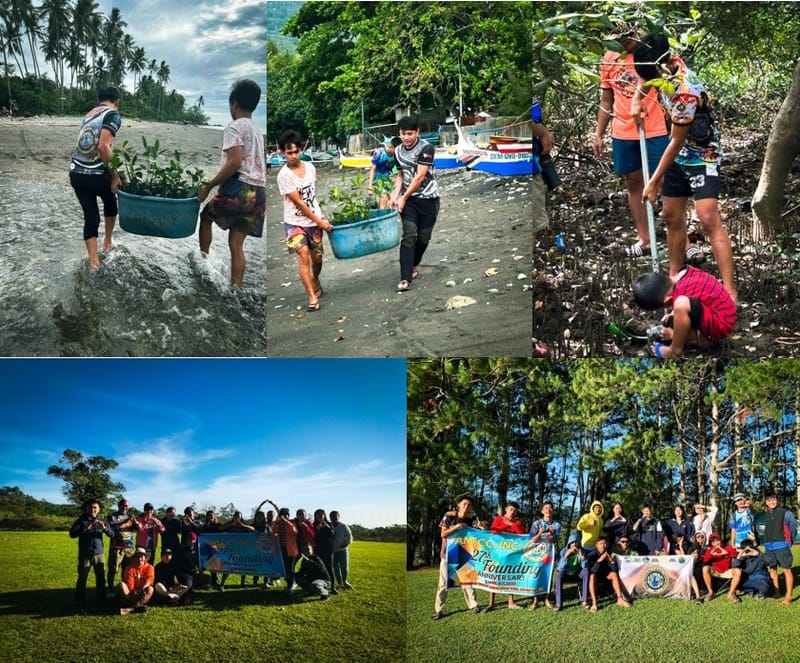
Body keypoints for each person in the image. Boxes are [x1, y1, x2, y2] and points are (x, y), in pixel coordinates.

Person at [632, 32, 737, 303]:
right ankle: (674, 276)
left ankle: (730, 290)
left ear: (661, 65)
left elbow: (676, 142)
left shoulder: (684, 90)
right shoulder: (663, 67)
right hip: (680, 156)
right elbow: (645, 80)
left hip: (703, 154)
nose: (648, 81)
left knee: (707, 217)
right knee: (670, 215)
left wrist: (654, 180)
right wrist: (636, 101)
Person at [594, 23, 672, 258]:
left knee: (665, 183)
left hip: (654, 128)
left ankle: (681, 240)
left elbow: (668, 85)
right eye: (619, 38)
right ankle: (645, 238)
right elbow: (607, 99)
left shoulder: (650, 54)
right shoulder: (609, 58)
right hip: (623, 131)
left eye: (628, 37)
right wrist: (598, 133)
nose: (624, 42)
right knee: (634, 183)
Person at [198, 79, 266, 287]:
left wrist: (209, 185)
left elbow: (235, 162)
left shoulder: (234, 127)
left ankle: (203, 262)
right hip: (259, 193)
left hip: (240, 188)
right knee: (236, 244)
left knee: (206, 216)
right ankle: (236, 287)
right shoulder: (257, 131)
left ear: (234, 104)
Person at [276, 129, 333, 311]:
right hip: (294, 222)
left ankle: (315, 279)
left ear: (301, 150)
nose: (293, 156)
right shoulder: (283, 176)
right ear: (282, 152)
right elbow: (299, 203)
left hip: (314, 221)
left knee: (317, 258)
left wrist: (320, 216)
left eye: (296, 151)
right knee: (303, 255)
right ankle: (311, 297)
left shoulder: (310, 168)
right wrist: (319, 221)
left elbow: (312, 196)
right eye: (289, 152)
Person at [632, 266, 737, 359]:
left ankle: (675, 350)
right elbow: (698, 297)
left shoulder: (680, 298)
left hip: (722, 324)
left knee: (681, 304)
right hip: (723, 310)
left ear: (667, 301)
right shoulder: (685, 272)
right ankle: (695, 338)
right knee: (681, 307)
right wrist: (673, 314)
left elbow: (682, 304)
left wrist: (674, 334)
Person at [69, 86, 121, 270]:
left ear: (99, 99)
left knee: (91, 217)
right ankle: (107, 242)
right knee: (110, 200)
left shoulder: (90, 113)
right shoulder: (113, 114)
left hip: (76, 173)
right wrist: (115, 175)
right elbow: (103, 147)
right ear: (117, 102)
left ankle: (93, 262)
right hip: (96, 174)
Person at [389, 115, 440, 292]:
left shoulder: (426, 148)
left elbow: (419, 177)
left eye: (410, 133)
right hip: (409, 201)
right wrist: (395, 195)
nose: (406, 137)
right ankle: (405, 277)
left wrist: (403, 197)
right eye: (403, 134)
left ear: (417, 132)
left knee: (423, 238)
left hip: (428, 198)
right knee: (409, 235)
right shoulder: (397, 151)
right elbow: (400, 175)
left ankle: (414, 264)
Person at [432, 493, 484, 620]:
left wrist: (482, 529)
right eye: (464, 504)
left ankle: (474, 605)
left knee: (468, 582)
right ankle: (438, 610)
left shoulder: (471, 520)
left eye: (469, 505)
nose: (467, 507)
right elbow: (443, 534)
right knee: (443, 584)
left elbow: (478, 537)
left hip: (465, 554)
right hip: (448, 554)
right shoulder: (449, 517)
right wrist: (457, 526)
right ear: (459, 505)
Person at [483, 501, 527, 612]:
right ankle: (491, 603)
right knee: (493, 575)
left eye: (515, 511)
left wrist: (512, 525)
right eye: (511, 509)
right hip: (497, 552)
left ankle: (511, 602)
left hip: (511, 554)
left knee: (510, 576)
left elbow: (522, 534)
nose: (512, 512)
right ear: (506, 509)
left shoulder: (518, 522)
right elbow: (493, 531)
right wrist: (505, 525)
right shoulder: (498, 519)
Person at [69, 498, 113, 605]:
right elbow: (72, 534)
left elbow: (112, 534)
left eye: (95, 507)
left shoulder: (102, 521)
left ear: (99, 509)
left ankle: (102, 598)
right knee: (82, 577)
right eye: (90, 507)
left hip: (99, 553)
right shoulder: (81, 520)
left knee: (101, 577)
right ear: (86, 508)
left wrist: (105, 529)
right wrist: (84, 528)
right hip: (85, 554)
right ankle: (79, 599)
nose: (92, 509)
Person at [761, 490, 796, 605]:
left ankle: (789, 596)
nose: (771, 502)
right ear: (766, 502)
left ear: (778, 500)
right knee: (772, 569)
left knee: (786, 570)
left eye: (774, 499)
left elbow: (793, 528)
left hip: (782, 545)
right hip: (769, 547)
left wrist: (789, 542)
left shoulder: (786, 513)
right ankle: (777, 592)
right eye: (769, 500)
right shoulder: (766, 514)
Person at [528, 501, 561, 610]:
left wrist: (552, 535)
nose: (548, 510)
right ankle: (535, 600)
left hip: (550, 555)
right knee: (536, 575)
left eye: (550, 508)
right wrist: (540, 532)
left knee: (549, 576)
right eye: (546, 508)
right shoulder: (536, 524)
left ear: (553, 510)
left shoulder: (556, 525)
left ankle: (547, 598)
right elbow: (531, 540)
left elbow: (556, 540)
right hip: (537, 554)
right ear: (542, 511)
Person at [586, 537, 631, 612]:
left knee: (614, 574)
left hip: (606, 575)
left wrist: (612, 562)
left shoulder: (609, 552)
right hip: (596, 575)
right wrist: (600, 560)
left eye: (605, 543)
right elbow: (592, 570)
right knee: (592, 576)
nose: (603, 546)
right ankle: (594, 603)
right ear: (596, 545)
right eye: (600, 544)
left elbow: (614, 570)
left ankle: (620, 599)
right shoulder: (592, 555)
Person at [106, 497, 139, 590]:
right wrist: (125, 523)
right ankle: (110, 590)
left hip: (129, 548)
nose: (125, 507)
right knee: (113, 570)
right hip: (117, 548)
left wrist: (135, 522)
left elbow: (137, 530)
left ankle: (125, 588)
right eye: (123, 505)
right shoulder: (112, 516)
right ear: (118, 505)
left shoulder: (129, 517)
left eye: (127, 506)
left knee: (127, 570)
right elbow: (112, 529)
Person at [553, 532, 589, 611]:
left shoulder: (583, 551)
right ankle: (558, 603)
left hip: (576, 575)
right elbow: (559, 568)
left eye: (576, 542)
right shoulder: (563, 552)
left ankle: (585, 600)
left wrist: (581, 556)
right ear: (569, 543)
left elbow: (585, 566)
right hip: (566, 575)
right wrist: (566, 556)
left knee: (586, 571)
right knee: (559, 575)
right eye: (572, 542)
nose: (574, 544)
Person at [116, 547, 155, 614]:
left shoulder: (149, 567)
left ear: (145, 558)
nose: (140, 559)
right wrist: (135, 593)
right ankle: (137, 606)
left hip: (142, 592)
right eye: (137, 557)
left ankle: (131, 609)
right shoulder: (129, 568)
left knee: (150, 589)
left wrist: (143, 588)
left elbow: (149, 579)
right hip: (131, 594)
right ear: (134, 558)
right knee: (121, 585)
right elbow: (130, 584)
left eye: (142, 556)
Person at [701, 532, 737, 602]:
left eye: (717, 540)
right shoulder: (710, 550)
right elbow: (704, 560)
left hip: (727, 571)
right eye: (713, 541)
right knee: (705, 568)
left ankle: (731, 593)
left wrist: (726, 552)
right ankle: (710, 592)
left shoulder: (727, 548)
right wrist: (711, 554)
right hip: (716, 571)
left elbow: (735, 554)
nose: (716, 542)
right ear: (711, 543)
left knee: (738, 570)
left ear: (720, 540)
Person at [272, 506, 300, 595]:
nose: (283, 517)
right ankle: (289, 584)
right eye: (282, 515)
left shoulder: (292, 523)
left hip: (291, 550)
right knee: (285, 569)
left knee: (290, 569)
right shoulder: (278, 524)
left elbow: (294, 532)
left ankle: (291, 584)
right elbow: (273, 533)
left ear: (288, 516)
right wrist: (276, 523)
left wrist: (286, 522)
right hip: (281, 550)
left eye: (285, 515)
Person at [225, 510, 255, 588]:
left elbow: (253, 529)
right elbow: (220, 528)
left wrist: (242, 525)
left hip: (242, 549)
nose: (237, 518)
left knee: (243, 567)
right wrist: (231, 524)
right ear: (233, 517)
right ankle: (222, 584)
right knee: (227, 566)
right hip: (230, 549)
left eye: (239, 516)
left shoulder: (244, 525)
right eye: (236, 516)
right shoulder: (229, 524)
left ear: (241, 517)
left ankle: (242, 582)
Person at [313, 509, 339, 595]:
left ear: (324, 516)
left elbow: (332, 535)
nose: (320, 516)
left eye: (321, 515)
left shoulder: (329, 524)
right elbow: (313, 537)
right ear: (315, 516)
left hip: (328, 550)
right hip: (318, 550)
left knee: (329, 568)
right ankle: (319, 586)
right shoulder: (313, 525)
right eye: (318, 515)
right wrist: (317, 528)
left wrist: (327, 527)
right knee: (318, 568)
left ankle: (332, 587)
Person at [368, 137, 400, 208]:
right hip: (377, 178)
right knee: (383, 197)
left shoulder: (396, 155)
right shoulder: (379, 153)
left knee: (392, 198)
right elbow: (372, 170)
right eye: (396, 150)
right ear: (391, 147)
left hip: (387, 178)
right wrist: (370, 186)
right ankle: (382, 212)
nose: (397, 152)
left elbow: (398, 171)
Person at [201, 510, 226, 591]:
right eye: (208, 516)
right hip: (207, 548)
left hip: (217, 548)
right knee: (210, 563)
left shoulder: (218, 525)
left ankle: (215, 580)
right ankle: (213, 580)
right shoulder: (204, 526)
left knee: (217, 564)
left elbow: (223, 531)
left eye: (211, 516)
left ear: (214, 516)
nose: (210, 517)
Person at [330, 510, 354, 590]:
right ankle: (340, 583)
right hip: (333, 551)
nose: (334, 518)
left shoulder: (343, 526)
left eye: (335, 516)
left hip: (343, 550)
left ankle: (345, 581)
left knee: (344, 567)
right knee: (335, 568)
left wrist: (346, 543)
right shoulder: (329, 526)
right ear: (330, 517)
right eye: (332, 516)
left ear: (339, 517)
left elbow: (350, 536)